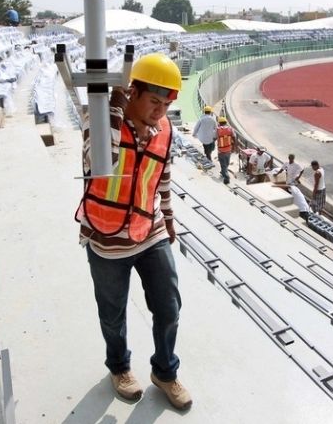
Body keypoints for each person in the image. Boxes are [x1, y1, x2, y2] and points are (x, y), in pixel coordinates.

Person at [74, 53, 192, 409]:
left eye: (167, 103)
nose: (160, 111)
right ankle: (120, 368)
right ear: (132, 92)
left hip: (149, 229)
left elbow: (161, 178)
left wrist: (169, 219)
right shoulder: (98, 122)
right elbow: (102, 162)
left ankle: (165, 372)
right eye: (154, 101)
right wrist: (114, 104)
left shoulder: (165, 130)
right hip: (106, 238)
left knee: (169, 306)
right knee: (112, 312)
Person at [215, 116, 236, 184]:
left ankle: (226, 176)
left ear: (219, 123)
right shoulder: (230, 129)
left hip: (221, 150)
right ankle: (223, 172)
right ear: (226, 122)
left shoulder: (218, 129)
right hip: (228, 149)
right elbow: (234, 137)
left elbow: (214, 137)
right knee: (226, 162)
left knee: (223, 164)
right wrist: (234, 147)